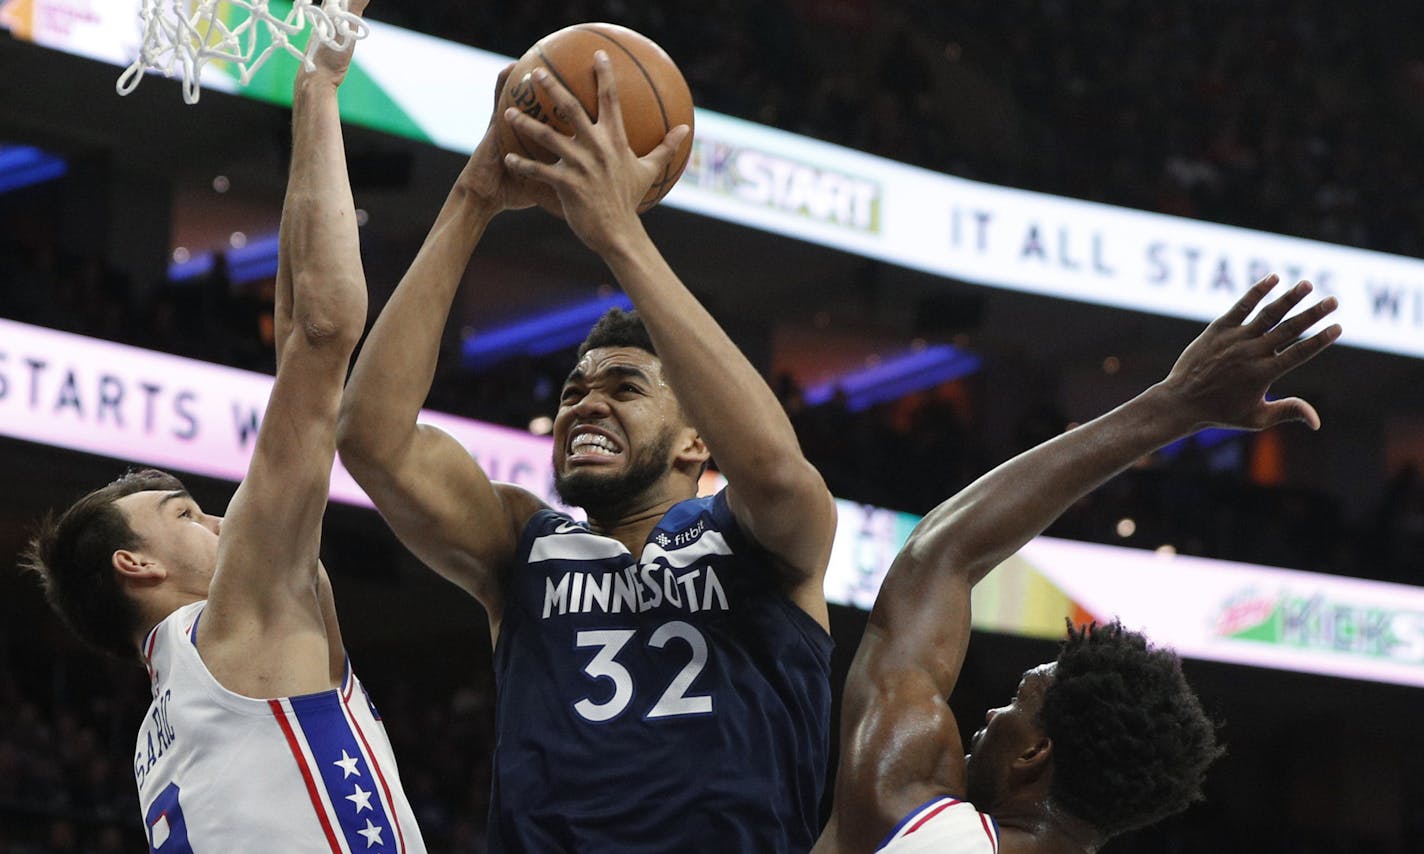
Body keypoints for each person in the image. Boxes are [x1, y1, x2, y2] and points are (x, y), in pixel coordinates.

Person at [336, 53, 837, 851]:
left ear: (696, 438)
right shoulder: (519, 543)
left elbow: (775, 465)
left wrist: (617, 233)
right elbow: (372, 437)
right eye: (572, 392)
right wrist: (474, 197)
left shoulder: (764, 540)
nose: (586, 403)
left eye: (627, 389)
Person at [20, 4, 427, 850]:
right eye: (183, 515)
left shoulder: (165, 727)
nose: (218, 516)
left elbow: (297, 345)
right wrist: (316, 86)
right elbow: (322, 333)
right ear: (137, 565)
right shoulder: (235, 627)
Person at [814, 275, 1341, 853]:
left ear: (1034, 754)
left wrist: (1174, 407)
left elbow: (940, 556)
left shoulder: (913, 820)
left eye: (1019, 699)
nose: (992, 713)